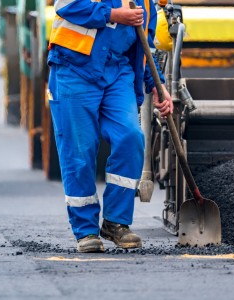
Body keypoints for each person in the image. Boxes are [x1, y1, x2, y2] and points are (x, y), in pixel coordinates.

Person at [47, 0, 173, 252]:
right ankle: (85, 230)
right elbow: (65, 5)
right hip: (74, 68)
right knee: (80, 150)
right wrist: (113, 15)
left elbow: (144, 43)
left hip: (117, 72)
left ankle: (116, 222)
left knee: (130, 137)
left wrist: (156, 85)